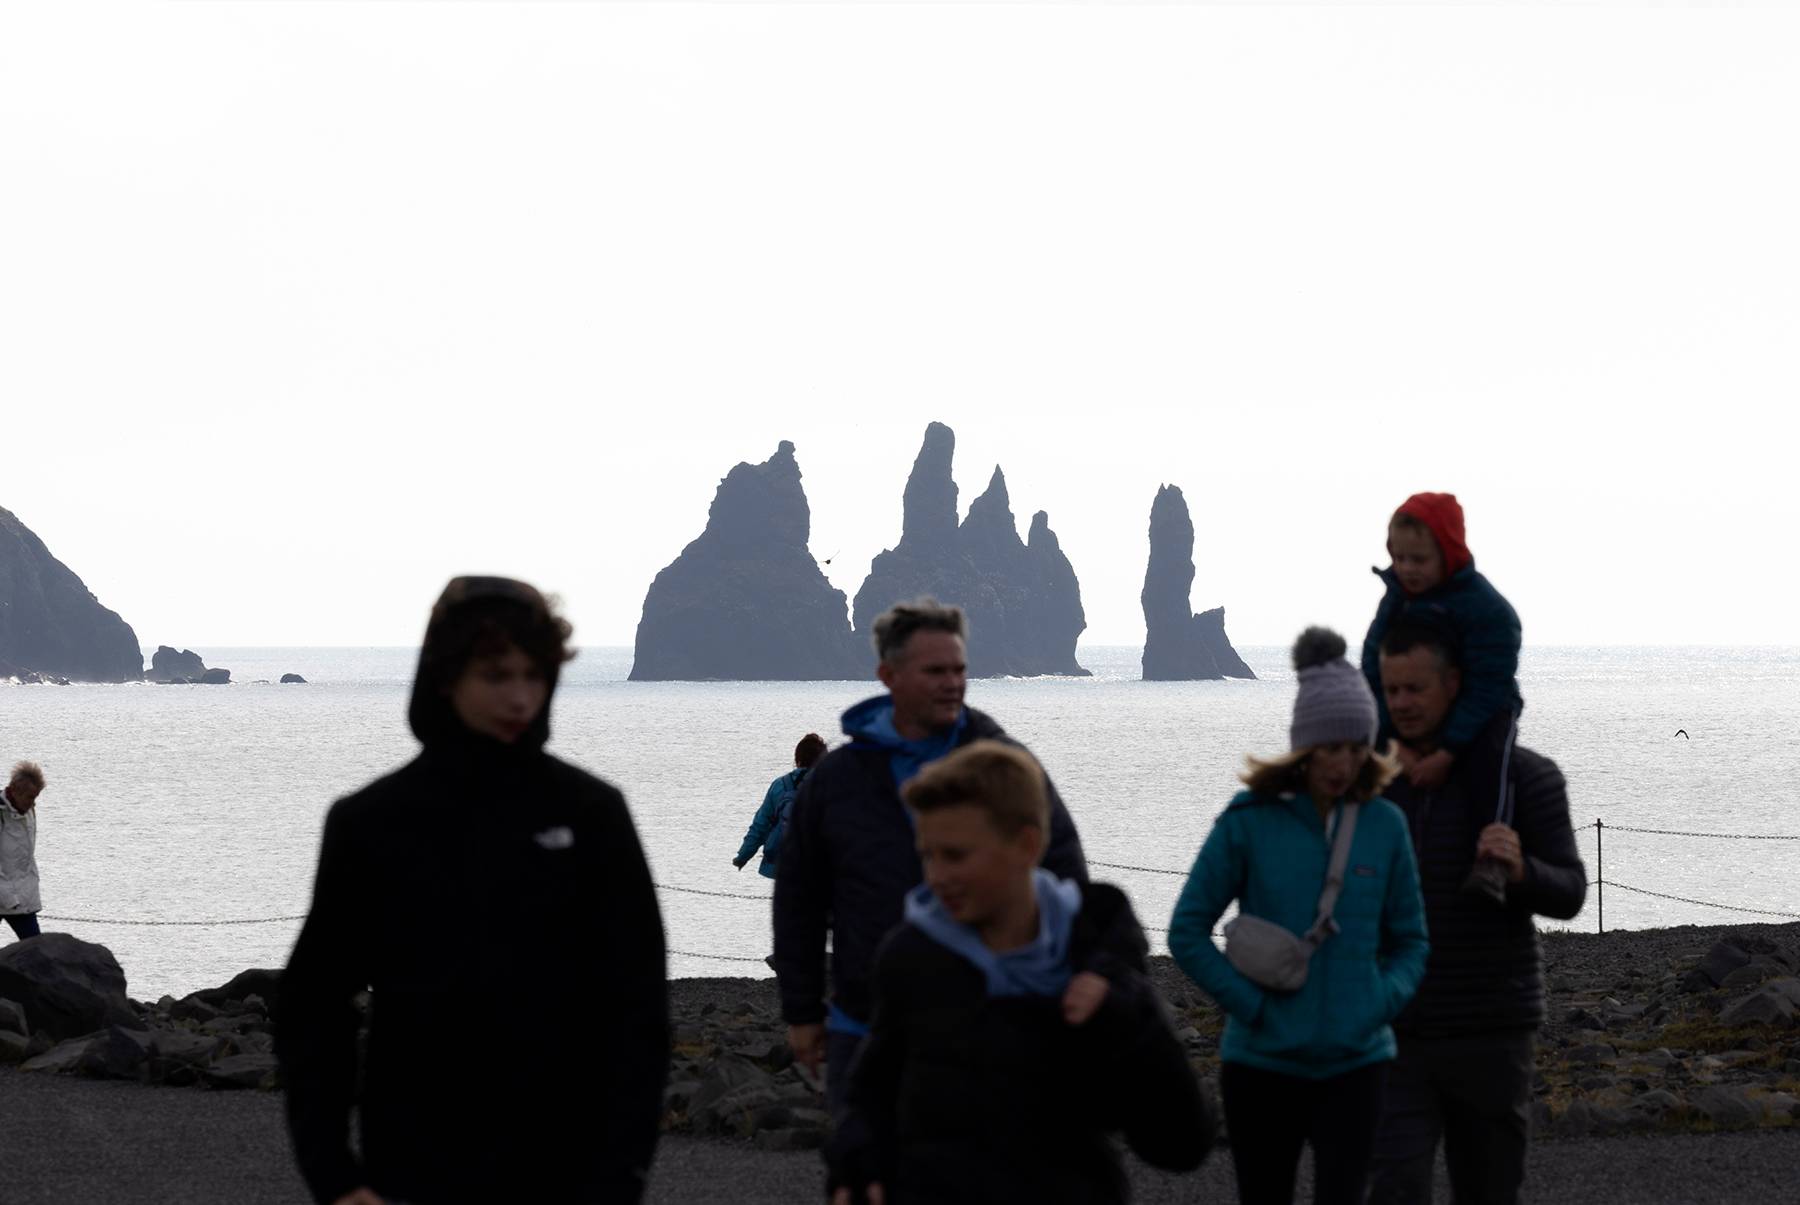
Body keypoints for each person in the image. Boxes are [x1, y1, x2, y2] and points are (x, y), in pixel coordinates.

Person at [275, 577, 668, 1205]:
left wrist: (622, 1173)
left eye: (534, 675)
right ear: (444, 676)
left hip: (569, 1167)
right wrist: (334, 1175)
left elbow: (637, 1007)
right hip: (413, 1165)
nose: (520, 698)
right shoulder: (372, 820)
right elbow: (315, 1004)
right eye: (495, 675)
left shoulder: (591, 811)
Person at [826, 741, 1215, 1205]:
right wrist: (855, 1161)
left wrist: (1131, 1016)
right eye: (927, 856)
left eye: (956, 855)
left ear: (1027, 845)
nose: (936, 876)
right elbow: (874, 1091)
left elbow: (1180, 1146)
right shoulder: (911, 955)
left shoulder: (1094, 963)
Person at [774, 596, 1088, 1122]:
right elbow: (799, 902)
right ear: (888, 674)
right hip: (864, 1027)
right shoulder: (836, 780)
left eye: (960, 669)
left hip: (995, 1025)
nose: (952, 683)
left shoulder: (1006, 767)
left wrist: (1076, 986)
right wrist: (802, 1011)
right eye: (935, 670)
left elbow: (1068, 877)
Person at [1168, 628, 1428, 1205]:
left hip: (1357, 1065)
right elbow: (1186, 931)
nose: (1344, 762)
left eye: (1356, 747)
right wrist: (1251, 1007)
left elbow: (1411, 941)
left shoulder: (1384, 825)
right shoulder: (1249, 820)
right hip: (1261, 1066)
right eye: (1330, 747)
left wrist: (1377, 1003)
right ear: (1303, 747)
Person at [1368, 619, 1586, 1205]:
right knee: (1392, 1188)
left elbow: (1569, 893)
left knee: (1489, 1191)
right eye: (1391, 691)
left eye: (1416, 689)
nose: (1402, 704)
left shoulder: (1524, 777)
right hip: (1392, 1031)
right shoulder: (1371, 784)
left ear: (1455, 684)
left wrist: (1521, 872)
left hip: (1492, 1025)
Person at [1361, 492, 1522, 790]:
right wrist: (1392, 740)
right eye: (1399, 558)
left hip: (1480, 710)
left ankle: (1493, 824)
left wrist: (1449, 750)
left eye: (1419, 559)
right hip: (1410, 706)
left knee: (1492, 751)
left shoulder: (1487, 609)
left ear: (1448, 553)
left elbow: (1489, 683)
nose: (1407, 568)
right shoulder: (1396, 598)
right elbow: (1372, 664)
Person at [734, 733, 829, 879]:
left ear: (797, 759)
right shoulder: (834, 786)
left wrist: (743, 856)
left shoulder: (780, 785)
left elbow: (760, 825)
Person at [1, 761, 46, 941]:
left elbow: (26, 859)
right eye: (29, 797)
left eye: (35, 797)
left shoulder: (28, 813)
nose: (32, 803)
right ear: (14, 791)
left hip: (21, 900)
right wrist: (9, 898)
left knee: (35, 949)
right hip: (9, 897)